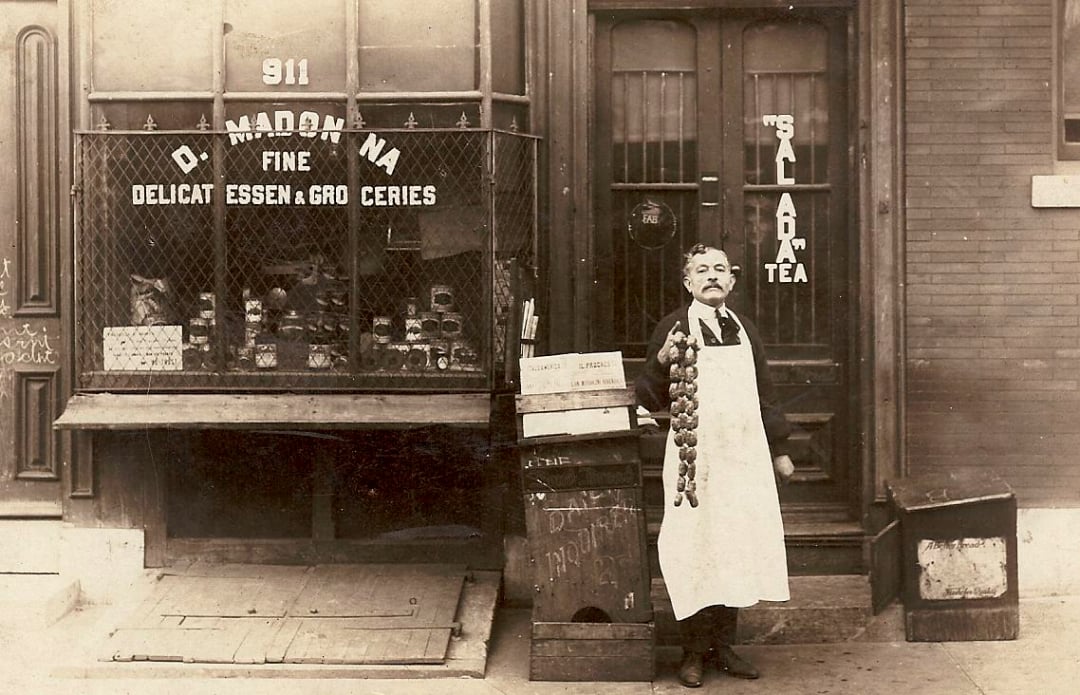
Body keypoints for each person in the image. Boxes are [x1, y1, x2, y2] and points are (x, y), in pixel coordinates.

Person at [635, 243, 795, 688]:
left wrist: (779, 449)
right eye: (702, 270)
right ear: (687, 282)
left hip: (742, 459)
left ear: (732, 280)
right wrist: (663, 361)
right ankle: (692, 651)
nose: (712, 277)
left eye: (719, 270)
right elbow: (646, 394)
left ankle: (724, 647)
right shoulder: (673, 327)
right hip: (695, 464)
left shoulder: (744, 329)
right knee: (695, 548)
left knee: (736, 546)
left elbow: (766, 392)